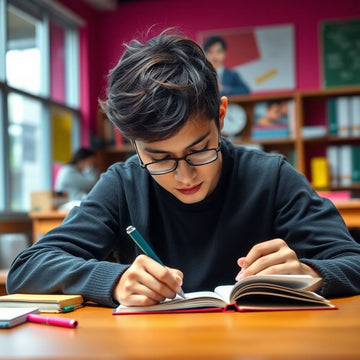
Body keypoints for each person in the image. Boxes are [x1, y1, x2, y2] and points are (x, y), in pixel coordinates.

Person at [6, 31, 360, 308]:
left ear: (220, 116)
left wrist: (309, 272)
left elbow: (352, 260)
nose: (184, 176)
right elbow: (29, 267)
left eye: (199, 150)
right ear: (132, 142)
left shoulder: (271, 177)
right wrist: (113, 281)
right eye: (160, 159)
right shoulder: (123, 183)